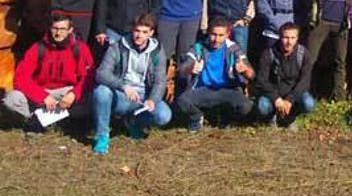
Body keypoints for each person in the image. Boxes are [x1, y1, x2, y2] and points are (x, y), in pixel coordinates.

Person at [92, 14, 172, 155]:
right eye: (137, 31)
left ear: (151, 33)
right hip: (122, 95)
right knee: (101, 92)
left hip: (143, 97)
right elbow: (101, 73)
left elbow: (160, 80)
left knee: (164, 116)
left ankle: (134, 122)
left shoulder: (157, 50)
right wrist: (123, 86)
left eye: (144, 32)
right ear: (132, 30)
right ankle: (102, 136)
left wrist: (153, 99)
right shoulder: (118, 46)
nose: (139, 36)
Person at [2, 14, 94, 134]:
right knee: (11, 98)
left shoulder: (80, 48)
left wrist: (73, 94)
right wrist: (42, 96)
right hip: (42, 94)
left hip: (65, 93)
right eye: (55, 28)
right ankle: (53, 118)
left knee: (92, 98)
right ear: (49, 28)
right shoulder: (38, 48)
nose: (58, 33)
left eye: (62, 29)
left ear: (70, 30)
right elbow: (21, 78)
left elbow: (88, 77)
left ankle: (42, 119)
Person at [176, 18, 255, 132]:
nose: (216, 39)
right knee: (182, 101)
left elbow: (251, 75)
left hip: (227, 90)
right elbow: (182, 69)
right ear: (208, 33)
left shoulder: (234, 49)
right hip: (203, 89)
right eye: (213, 34)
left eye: (221, 35)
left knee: (246, 106)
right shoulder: (198, 47)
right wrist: (190, 69)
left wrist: (244, 70)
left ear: (227, 34)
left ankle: (225, 116)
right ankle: (196, 117)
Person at [254, 23, 316, 130]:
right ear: (280, 37)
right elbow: (261, 80)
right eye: (286, 37)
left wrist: (290, 99)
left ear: (297, 38)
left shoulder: (303, 54)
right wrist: (276, 98)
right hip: (273, 92)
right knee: (262, 106)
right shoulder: (268, 53)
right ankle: (271, 117)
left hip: (293, 92)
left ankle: (291, 118)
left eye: (293, 38)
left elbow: (304, 82)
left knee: (308, 103)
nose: (289, 42)